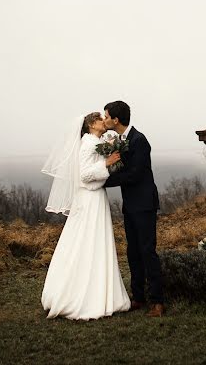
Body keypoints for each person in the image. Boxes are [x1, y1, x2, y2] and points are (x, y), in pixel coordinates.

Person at [41, 112, 130, 320]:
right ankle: (85, 296)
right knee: (89, 241)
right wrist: (107, 164)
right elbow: (84, 175)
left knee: (91, 242)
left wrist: (111, 163)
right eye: (100, 119)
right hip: (90, 199)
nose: (103, 122)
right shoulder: (89, 143)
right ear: (91, 124)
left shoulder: (94, 141)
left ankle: (99, 292)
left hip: (93, 197)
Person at [103, 101, 164, 317]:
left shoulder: (139, 140)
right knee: (132, 251)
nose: (104, 120)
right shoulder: (119, 141)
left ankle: (157, 302)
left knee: (148, 251)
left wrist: (103, 180)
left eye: (106, 116)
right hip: (130, 204)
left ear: (116, 120)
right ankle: (138, 297)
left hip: (145, 204)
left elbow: (135, 174)